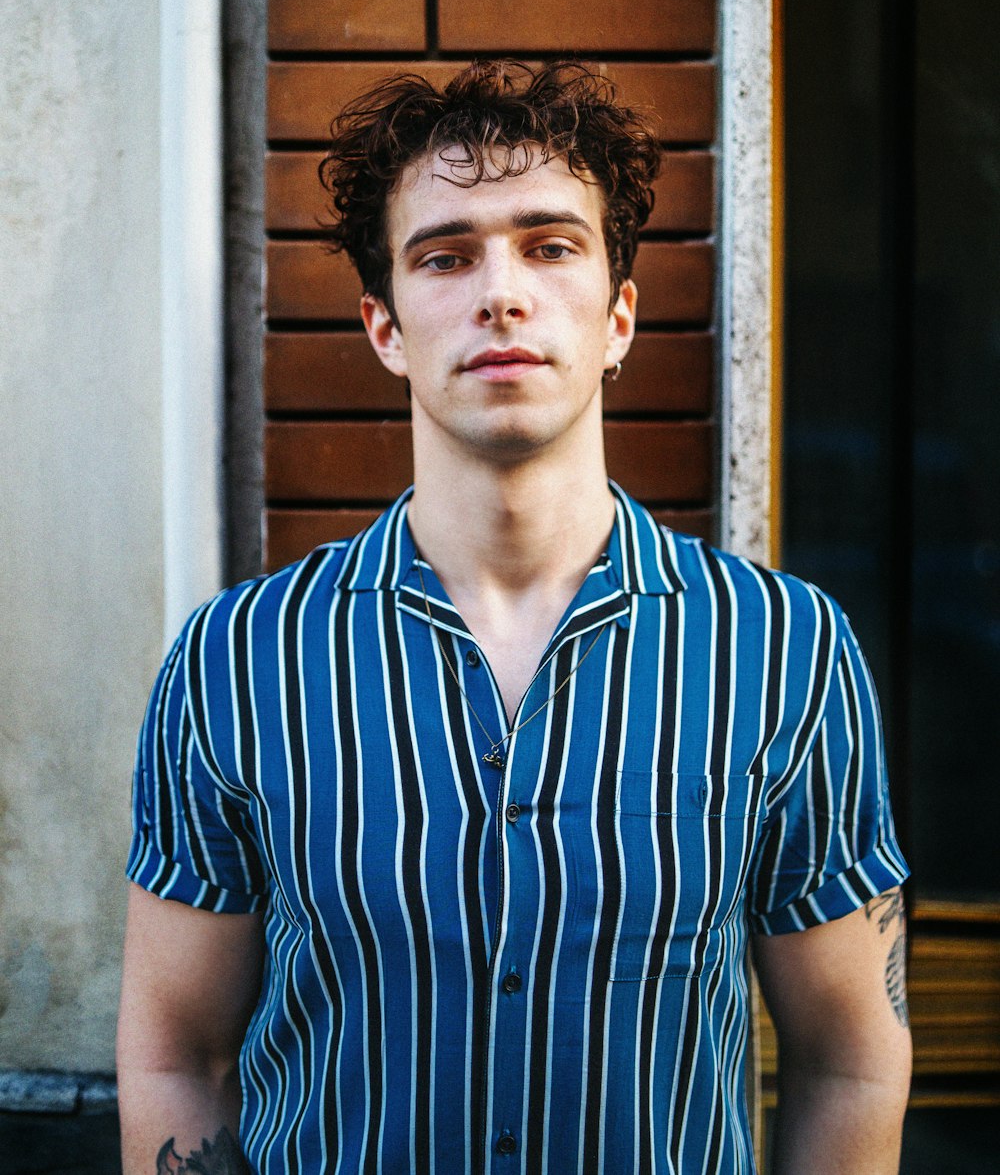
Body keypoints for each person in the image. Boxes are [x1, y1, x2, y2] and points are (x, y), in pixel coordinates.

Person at [117, 61, 912, 1175]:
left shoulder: (779, 650)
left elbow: (850, 1057)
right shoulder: (238, 660)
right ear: (385, 327)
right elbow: (175, 1052)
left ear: (619, 316)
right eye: (445, 257)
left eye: (549, 246)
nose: (501, 291)